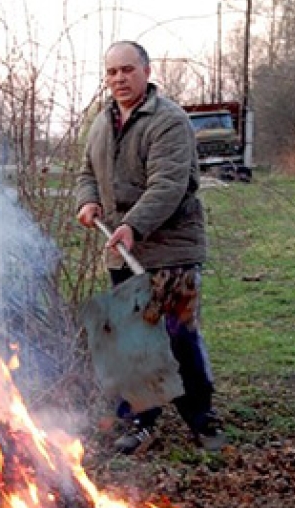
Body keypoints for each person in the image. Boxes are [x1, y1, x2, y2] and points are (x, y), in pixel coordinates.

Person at [75, 40, 226, 455]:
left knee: (178, 335)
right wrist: (87, 201)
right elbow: (86, 172)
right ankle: (141, 422)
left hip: (171, 249)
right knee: (132, 340)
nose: (119, 79)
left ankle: (202, 419)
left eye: (127, 70)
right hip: (122, 248)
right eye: (111, 72)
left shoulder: (169, 121)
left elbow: (168, 186)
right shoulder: (102, 122)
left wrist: (132, 226)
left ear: (146, 71)